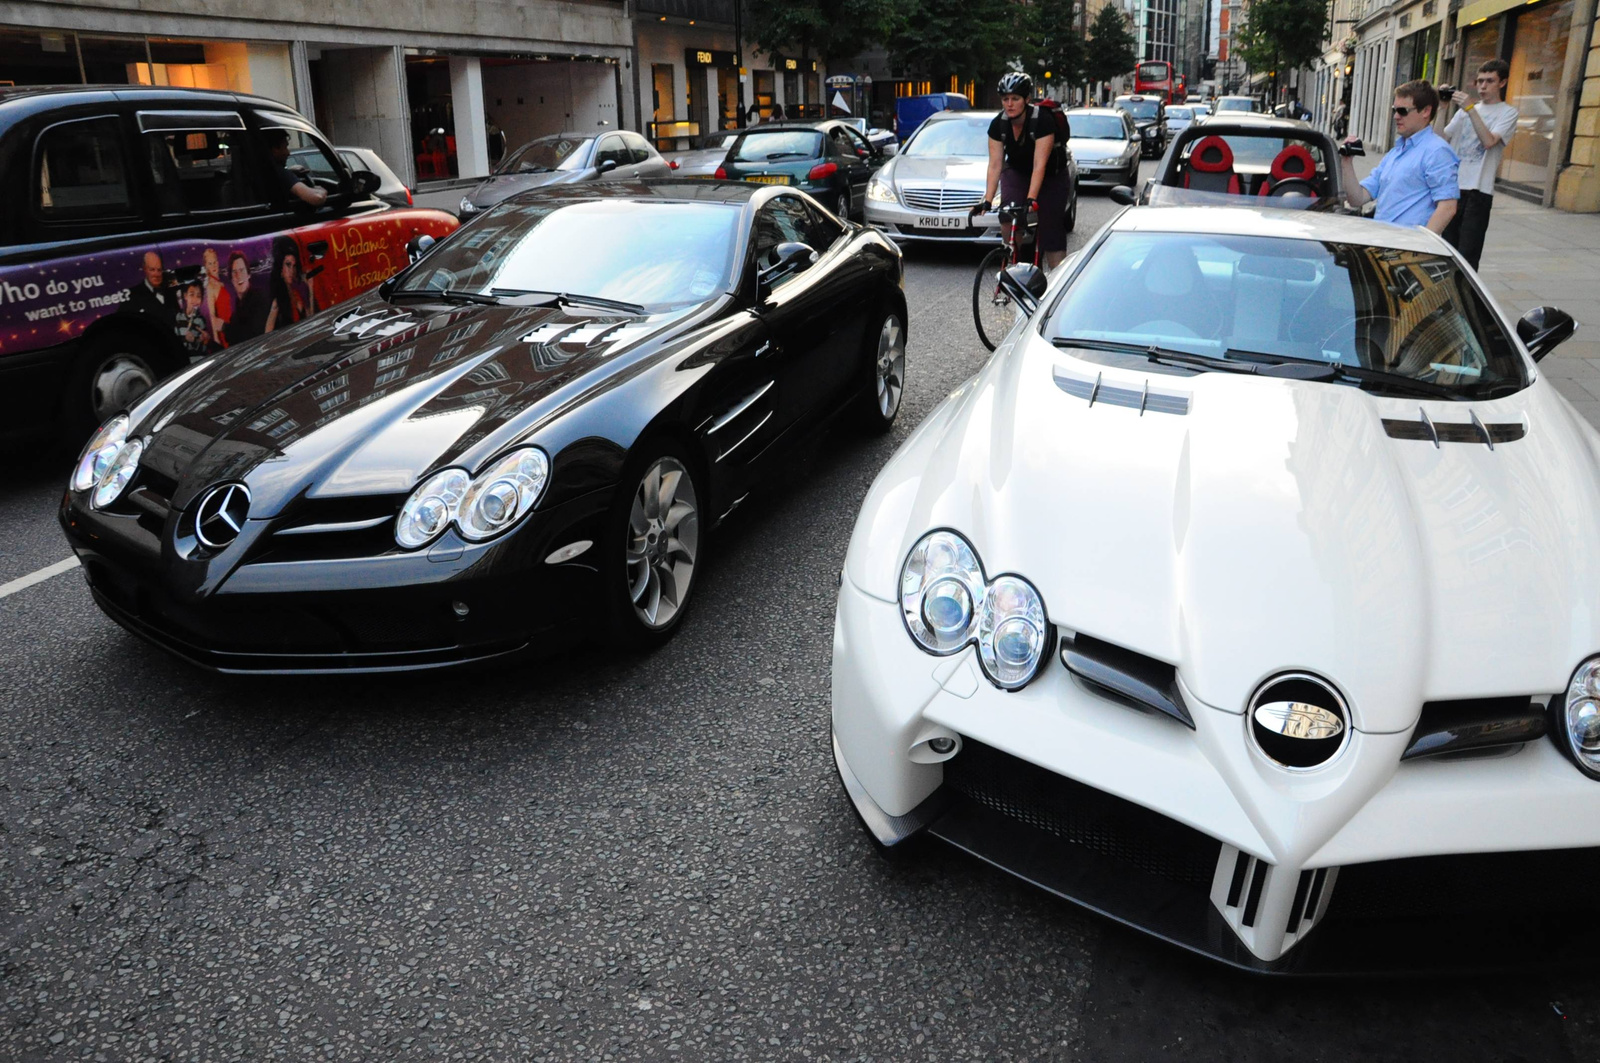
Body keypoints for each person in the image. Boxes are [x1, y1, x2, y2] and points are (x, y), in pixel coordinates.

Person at [973, 72, 1073, 270]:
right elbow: (995, 165)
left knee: (1051, 232)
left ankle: (1058, 284)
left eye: (1015, 99)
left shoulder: (1043, 121)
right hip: (1018, 172)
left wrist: (1031, 199)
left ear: (1027, 99)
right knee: (1008, 216)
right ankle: (1015, 260)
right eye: (1005, 99)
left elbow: (1039, 165)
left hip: (1051, 176)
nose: (1009, 104)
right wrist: (987, 199)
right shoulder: (998, 125)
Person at [1340, 80, 1458, 235]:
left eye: (1403, 111)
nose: (1396, 116)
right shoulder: (1395, 153)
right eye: (1394, 110)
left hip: (1409, 249)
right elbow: (1358, 198)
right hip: (1382, 242)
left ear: (1425, 111)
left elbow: (1448, 207)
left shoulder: (1437, 151)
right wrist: (1346, 162)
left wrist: (1422, 245)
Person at [1441, 59, 1518, 270]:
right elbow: (1440, 138)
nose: (1482, 86)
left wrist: (1470, 109)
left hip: (1478, 190)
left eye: (1489, 81)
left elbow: (1489, 141)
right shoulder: (1464, 111)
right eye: (1480, 81)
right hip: (1453, 188)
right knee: (1446, 250)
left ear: (1502, 83)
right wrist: (1441, 108)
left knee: (1467, 255)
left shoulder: (1507, 113)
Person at [263, 129, 329, 208]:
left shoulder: (262, 171)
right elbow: (316, 197)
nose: (288, 153)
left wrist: (290, 171)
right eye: (285, 147)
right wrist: (321, 191)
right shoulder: (280, 173)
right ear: (275, 149)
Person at [265, 236, 315, 332]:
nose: (291, 271)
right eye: (288, 265)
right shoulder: (278, 301)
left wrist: (310, 288)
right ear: (280, 267)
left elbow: (311, 319)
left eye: (294, 266)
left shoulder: (298, 293)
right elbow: (267, 333)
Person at [221, 251, 271, 346]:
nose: (238, 276)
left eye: (242, 270)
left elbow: (253, 336)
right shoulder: (237, 309)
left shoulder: (259, 298)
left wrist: (224, 327)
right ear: (231, 279)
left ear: (249, 274)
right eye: (234, 272)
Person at [122, 250, 173, 323]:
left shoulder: (171, 290)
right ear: (145, 269)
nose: (156, 274)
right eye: (152, 270)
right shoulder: (132, 296)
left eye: (159, 270)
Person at [174, 280, 210, 360]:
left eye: (198, 296)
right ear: (185, 296)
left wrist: (194, 340)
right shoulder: (178, 317)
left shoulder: (201, 321)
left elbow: (203, 349)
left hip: (198, 360)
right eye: (192, 295)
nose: (195, 299)